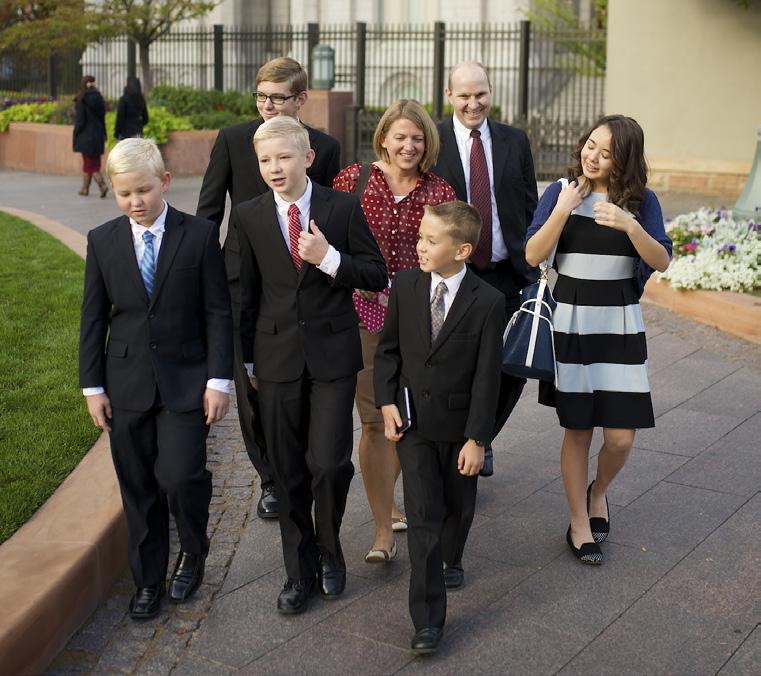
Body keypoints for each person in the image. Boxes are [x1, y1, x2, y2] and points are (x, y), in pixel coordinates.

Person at [235, 117, 387, 614]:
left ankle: (330, 548)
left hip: (331, 356)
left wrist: (328, 258)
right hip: (275, 358)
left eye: (282, 157)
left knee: (328, 463)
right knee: (288, 469)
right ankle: (298, 571)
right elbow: (246, 294)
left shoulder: (340, 206)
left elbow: (374, 271)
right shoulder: (250, 216)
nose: (274, 168)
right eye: (264, 161)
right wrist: (247, 360)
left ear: (307, 158)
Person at [79, 137, 234, 619]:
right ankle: (148, 579)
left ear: (164, 182)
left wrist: (218, 380)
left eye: (144, 191)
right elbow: (93, 320)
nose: (136, 202)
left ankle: (192, 549)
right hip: (125, 383)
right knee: (139, 485)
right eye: (125, 194)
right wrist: (93, 387)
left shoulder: (198, 235)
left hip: (187, 381)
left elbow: (217, 312)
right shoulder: (102, 240)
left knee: (181, 475)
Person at [197, 56, 342, 521]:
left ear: (301, 100)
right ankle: (271, 478)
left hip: (304, 279)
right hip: (242, 278)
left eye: (278, 98)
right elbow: (208, 214)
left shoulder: (325, 147)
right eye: (261, 97)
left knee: (297, 385)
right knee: (252, 385)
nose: (268, 105)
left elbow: (329, 208)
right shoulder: (233, 139)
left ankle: (300, 467)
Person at [525, 115, 672, 565]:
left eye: (605, 152)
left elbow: (661, 260)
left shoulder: (642, 202)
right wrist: (562, 209)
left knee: (622, 437)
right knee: (578, 430)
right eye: (591, 145)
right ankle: (578, 524)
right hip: (572, 326)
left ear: (623, 160)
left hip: (620, 327)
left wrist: (630, 225)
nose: (592, 156)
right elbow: (532, 254)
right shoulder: (561, 191)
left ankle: (599, 491)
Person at [374, 201, 506, 654]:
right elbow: (388, 351)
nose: (420, 247)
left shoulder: (488, 301)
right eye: (420, 238)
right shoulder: (407, 285)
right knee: (425, 516)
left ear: (463, 250)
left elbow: (489, 377)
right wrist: (386, 400)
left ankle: (454, 555)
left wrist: (477, 439)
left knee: (457, 505)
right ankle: (428, 620)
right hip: (412, 425)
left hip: (460, 428)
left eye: (431, 241)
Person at [333, 99, 456, 563]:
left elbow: (451, 253)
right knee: (372, 420)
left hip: (420, 322)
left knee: (408, 420)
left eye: (418, 138)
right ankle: (383, 529)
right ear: (383, 136)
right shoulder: (353, 180)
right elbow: (329, 237)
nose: (408, 145)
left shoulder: (439, 190)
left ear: (428, 144)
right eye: (400, 136)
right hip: (362, 316)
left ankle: (397, 503)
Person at [430, 61, 539, 478]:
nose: (473, 103)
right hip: (454, 273)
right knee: (458, 364)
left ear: (491, 92)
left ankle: (482, 436)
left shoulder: (514, 140)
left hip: (507, 272)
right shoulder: (434, 141)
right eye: (464, 95)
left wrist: (532, 262)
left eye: (481, 94)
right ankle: (458, 440)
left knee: (511, 366)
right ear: (449, 95)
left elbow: (529, 204)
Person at [72, 74, 108, 198]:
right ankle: (85, 188)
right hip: (97, 134)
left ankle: (102, 185)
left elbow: (80, 120)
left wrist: (76, 132)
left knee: (89, 163)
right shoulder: (99, 98)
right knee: (93, 162)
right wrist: (104, 134)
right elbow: (102, 118)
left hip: (85, 135)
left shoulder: (81, 99)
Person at [115, 75, 149, 140]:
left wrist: (117, 132)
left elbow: (120, 118)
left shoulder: (124, 99)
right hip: (138, 132)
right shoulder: (141, 99)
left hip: (126, 132)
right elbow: (146, 119)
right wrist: (139, 123)